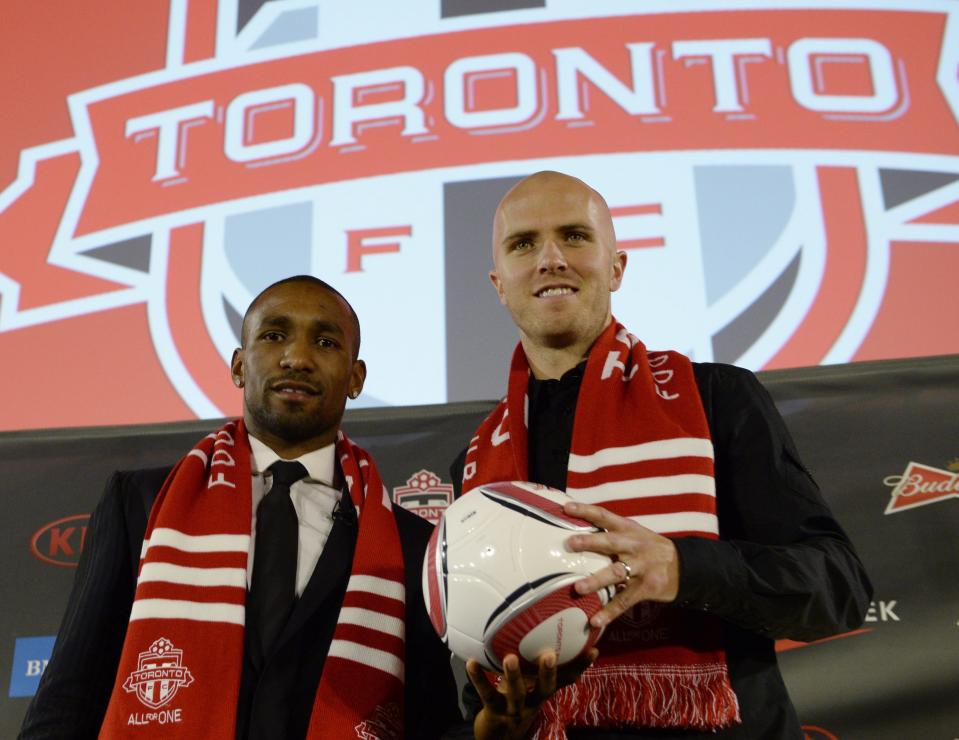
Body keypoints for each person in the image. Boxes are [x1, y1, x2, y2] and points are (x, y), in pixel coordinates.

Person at [452, 171, 873, 739]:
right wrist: (499, 722)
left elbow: (836, 590)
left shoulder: (716, 398)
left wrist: (682, 568)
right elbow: (479, 673)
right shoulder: (476, 466)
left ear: (617, 267)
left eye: (574, 236)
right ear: (499, 283)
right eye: (523, 244)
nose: (549, 258)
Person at [20, 276, 460, 739]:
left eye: (326, 342)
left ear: (355, 378)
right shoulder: (140, 501)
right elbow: (70, 694)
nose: (297, 358)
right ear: (238, 365)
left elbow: (430, 721)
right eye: (274, 336)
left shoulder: (406, 542)